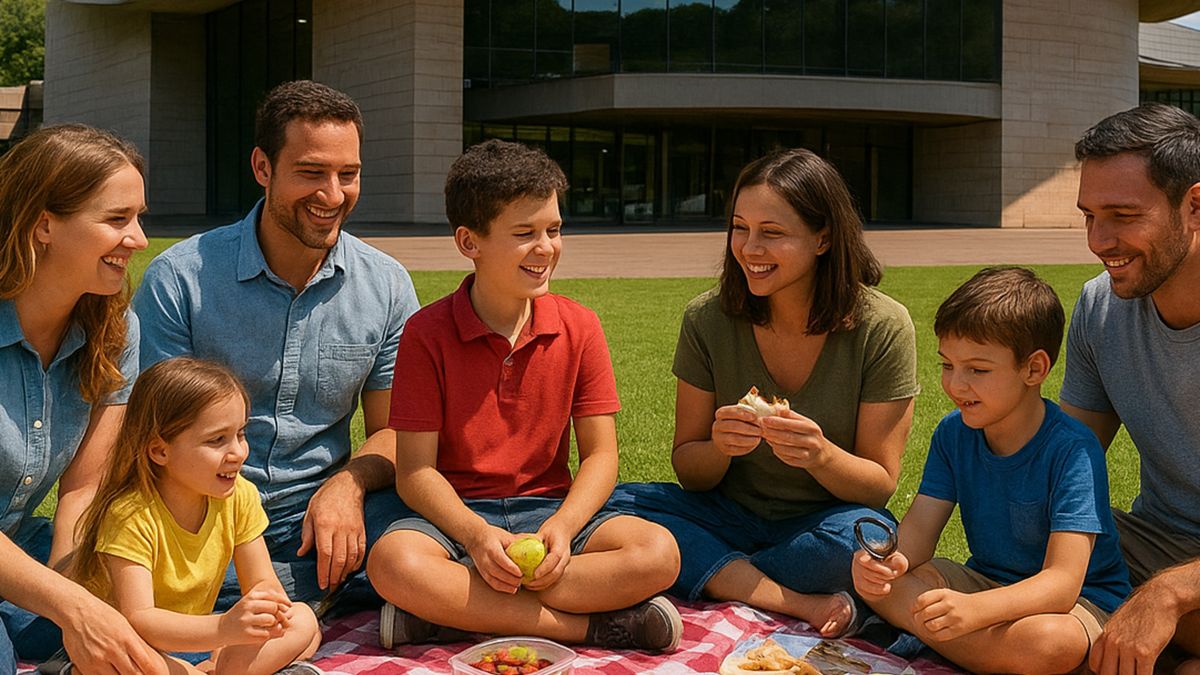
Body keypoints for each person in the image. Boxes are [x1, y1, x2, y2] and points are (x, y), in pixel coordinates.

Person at [365, 139, 684, 652]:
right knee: (393, 563)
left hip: (549, 509)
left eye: (554, 230)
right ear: (469, 242)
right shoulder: (426, 333)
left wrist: (564, 525)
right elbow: (416, 472)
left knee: (659, 553)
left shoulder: (581, 326)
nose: (546, 248)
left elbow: (601, 456)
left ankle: (453, 614)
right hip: (457, 518)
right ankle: (594, 628)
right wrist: (474, 536)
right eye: (524, 234)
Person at [132, 80, 420, 609]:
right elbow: (154, 440)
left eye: (348, 175)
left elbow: (398, 432)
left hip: (321, 517)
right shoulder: (181, 279)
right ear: (263, 168)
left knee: (424, 541)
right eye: (311, 173)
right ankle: (317, 600)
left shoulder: (386, 284)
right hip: (197, 514)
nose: (333, 196)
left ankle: (284, 601)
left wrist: (350, 484)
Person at [610, 147, 918, 636]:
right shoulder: (706, 318)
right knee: (611, 505)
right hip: (726, 513)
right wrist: (721, 448)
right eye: (740, 228)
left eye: (772, 233)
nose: (750, 248)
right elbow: (690, 469)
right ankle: (794, 598)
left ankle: (719, 574)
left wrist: (819, 455)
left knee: (870, 540)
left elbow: (879, 484)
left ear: (823, 238)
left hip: (821, 525)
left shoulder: (882, 326)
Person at [852, 266, 1130, 674]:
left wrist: (976, 610)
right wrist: (888, 563)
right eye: (947, 365)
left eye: (977, 370)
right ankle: (988, 652)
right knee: (887, 587)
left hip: (1078, 603)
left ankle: (953, 642)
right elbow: (919, 531)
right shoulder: (953, 434)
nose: (956, 385)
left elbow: (1061, 583)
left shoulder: (1072, 450)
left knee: (1049, 644)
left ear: (1034, 369)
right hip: (986, 582)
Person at [0, 124, 166, 675]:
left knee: (152, 632)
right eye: (117, 219)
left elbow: (85, 487)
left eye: (138, 217)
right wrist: (74, 609)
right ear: (44, 224)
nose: (139, 239)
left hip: (23, 546)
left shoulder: (116, 332)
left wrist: (75, 596)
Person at [71, 357, 322, 675]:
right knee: (134, 664)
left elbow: (263, 585)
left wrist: (266, 618)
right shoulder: (131, 515)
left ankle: (220, 668)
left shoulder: (238, 496)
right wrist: (224, 628)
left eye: (241, 434)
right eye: (217, 440)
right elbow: (139, 619)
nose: (238, 453)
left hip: (204, 642)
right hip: (136, 645)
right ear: (160, 451)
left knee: (303, 618)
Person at [1067, 102, 1200, 675]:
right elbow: (1066, 460)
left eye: (1122, 214)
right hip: (1151, 542)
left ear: (1195, 205)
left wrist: (1168, 594)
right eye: (1089, 215)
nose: (1100, 241)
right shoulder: (1101, 308)